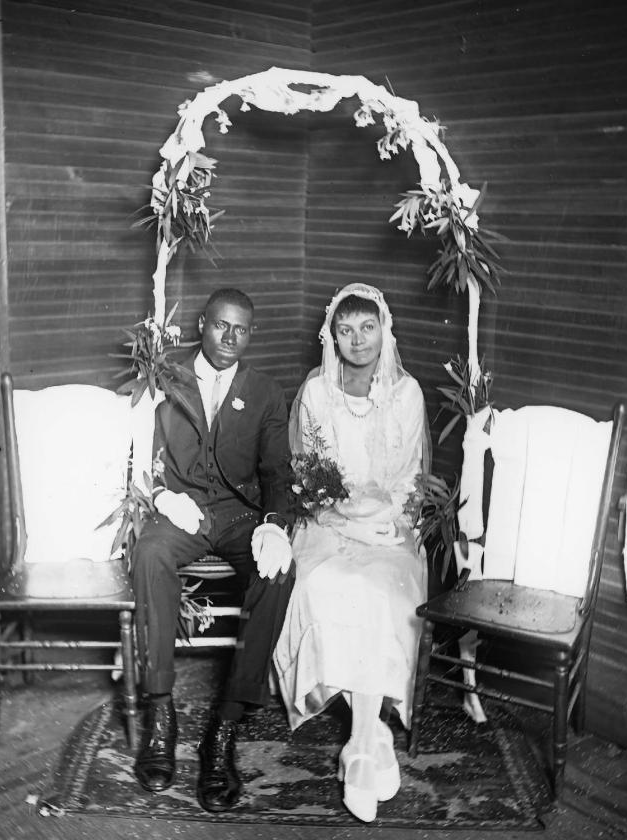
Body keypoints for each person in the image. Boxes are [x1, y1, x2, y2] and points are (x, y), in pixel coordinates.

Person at [130, 287, 296, 813]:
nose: (230, 337)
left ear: (251, 334)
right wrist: (161, 496)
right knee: (151, 555)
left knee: (278, 573)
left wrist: (273, 526)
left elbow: (276, 472)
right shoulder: (166, 377)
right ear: (202, 324)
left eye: (241, 329)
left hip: (239, 516)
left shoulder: (266, 391)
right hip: (183, 510)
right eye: (221, 325)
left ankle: (223, 730)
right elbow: (143, 456)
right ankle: (160, 712)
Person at [272, 283, 429, 823]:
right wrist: (343, 515)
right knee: (324, 583)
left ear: (385, 331)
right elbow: (311, 480)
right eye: (345, 330)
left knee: (381, 590)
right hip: (329, 526)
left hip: (390, 528)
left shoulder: (406, 394)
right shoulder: (317, 392)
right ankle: (371, 741)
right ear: (331, 336)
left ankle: (360, 744)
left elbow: (410, 481)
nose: (357, 340)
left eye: (368, 328)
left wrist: (380, 520)